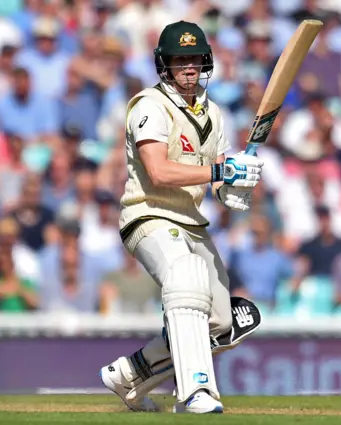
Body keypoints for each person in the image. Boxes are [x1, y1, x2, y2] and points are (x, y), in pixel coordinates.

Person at [99, 21, 265, 414]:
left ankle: (129, 374)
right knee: (186, 277)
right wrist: (220, 173)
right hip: (148, 213)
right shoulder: (148, 105)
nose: (188, 67)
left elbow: (221, 182)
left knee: (222, 323)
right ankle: (195, 392)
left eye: (194, 58)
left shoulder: (215, 114)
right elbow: (159, 171)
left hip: (191, 220)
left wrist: (238, 181)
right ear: (165, 66)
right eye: (179, 60)